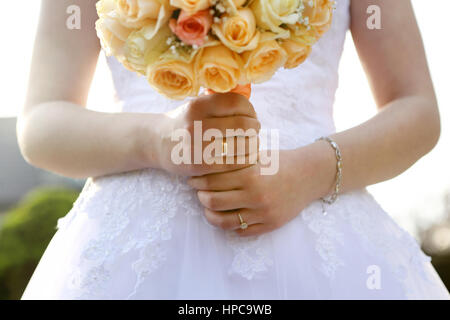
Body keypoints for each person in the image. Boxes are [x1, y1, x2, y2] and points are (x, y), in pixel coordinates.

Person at [19, 0, 450, 299]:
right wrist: (157, 140)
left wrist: (308, 173)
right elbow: (42, 122)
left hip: (317, 221)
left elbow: (416, 109)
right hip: (133, 245)